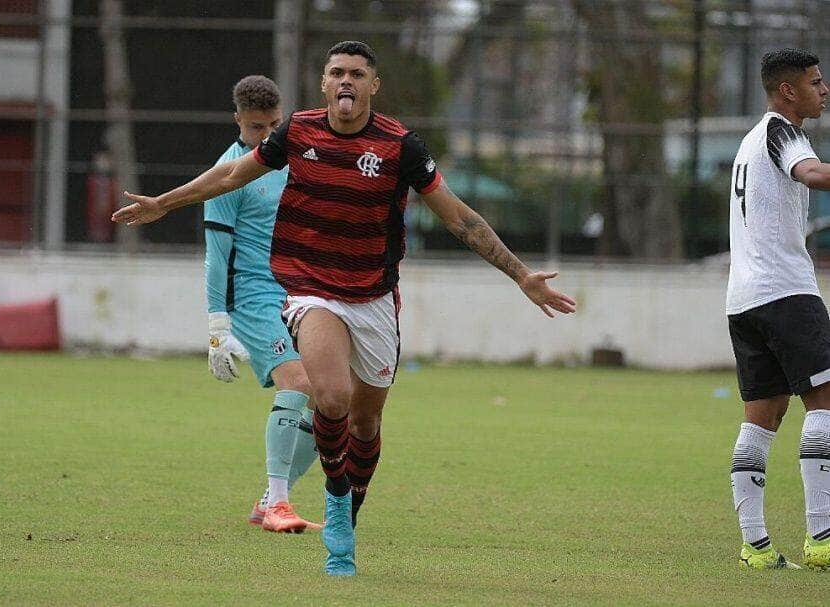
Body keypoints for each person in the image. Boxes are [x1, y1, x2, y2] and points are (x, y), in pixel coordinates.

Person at [113, 41, 576, 576]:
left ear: (372, 86)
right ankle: (334, 504)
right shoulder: (298, 133)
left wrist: (521, 275)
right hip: (311, 289)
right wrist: (163, 203)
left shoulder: (401, 146)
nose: (346, 80)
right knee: (328, 394)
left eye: (356, 73)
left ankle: (348, 504)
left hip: (374, 297)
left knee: (366, 421)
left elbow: (459, 218)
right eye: (336, 72)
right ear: (324, 84)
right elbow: (229, 176)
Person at [727, 48, 830, 571]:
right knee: (826, 402)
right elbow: (811, 174)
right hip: (786, 292)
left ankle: (756, 546)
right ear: (787, 91)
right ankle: (824, 538)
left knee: (762, 419)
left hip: (743, 300)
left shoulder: (749, 142)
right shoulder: (781, 131)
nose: (824, 90)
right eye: (815, 82)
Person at [203, 75, 320, 534]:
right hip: (252, 295)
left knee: (335, 400)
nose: (266, 136)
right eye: (255, 128)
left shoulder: (292, 161)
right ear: (238, 121)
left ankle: (270, 500)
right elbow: (216, 256)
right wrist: (217, 327)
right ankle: (278, 505)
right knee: (297, 380)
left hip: (300, 291)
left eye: (273, 125)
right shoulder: (228, 172)